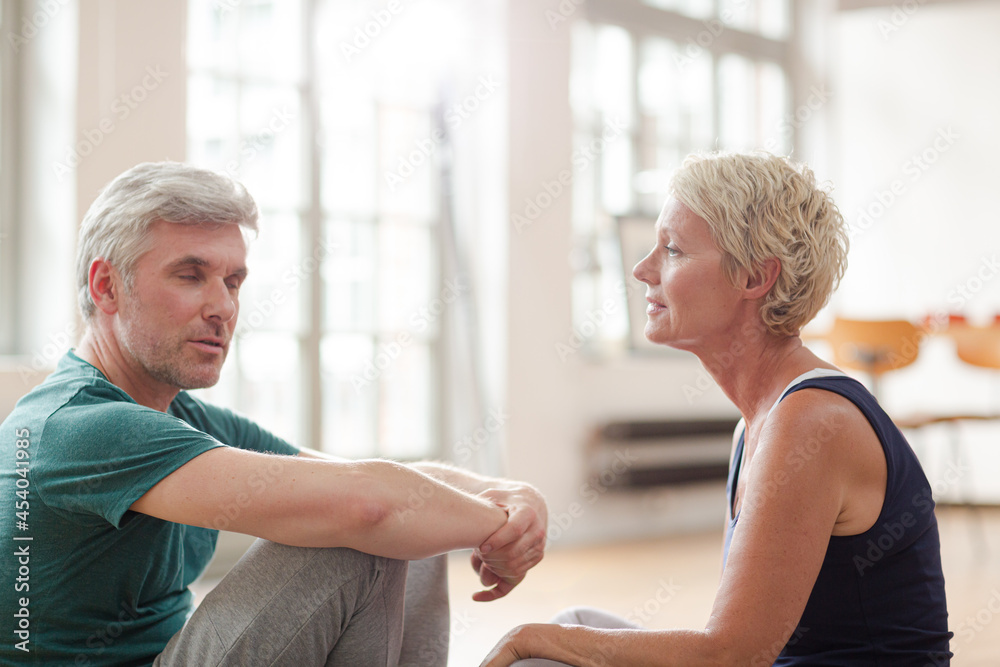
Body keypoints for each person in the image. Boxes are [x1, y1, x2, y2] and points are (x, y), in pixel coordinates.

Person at [0, 162, 547, 666]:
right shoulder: (80, 427)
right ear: (106, 286)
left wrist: (508, 494)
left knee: (416, 520)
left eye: (233, 281)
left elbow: (373, 481)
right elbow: (368, 502)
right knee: (365, 526)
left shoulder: (180, 417)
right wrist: (502, 530)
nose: (223, 306)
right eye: (191, 275)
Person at [481, 152, 952, 666]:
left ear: (754, 277)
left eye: (674, 250)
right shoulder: (758, 423)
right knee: (573, 626)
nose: (642, 270)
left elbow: (730, 656)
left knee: (542, 654)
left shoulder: (811, 421)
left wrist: (528, 638)